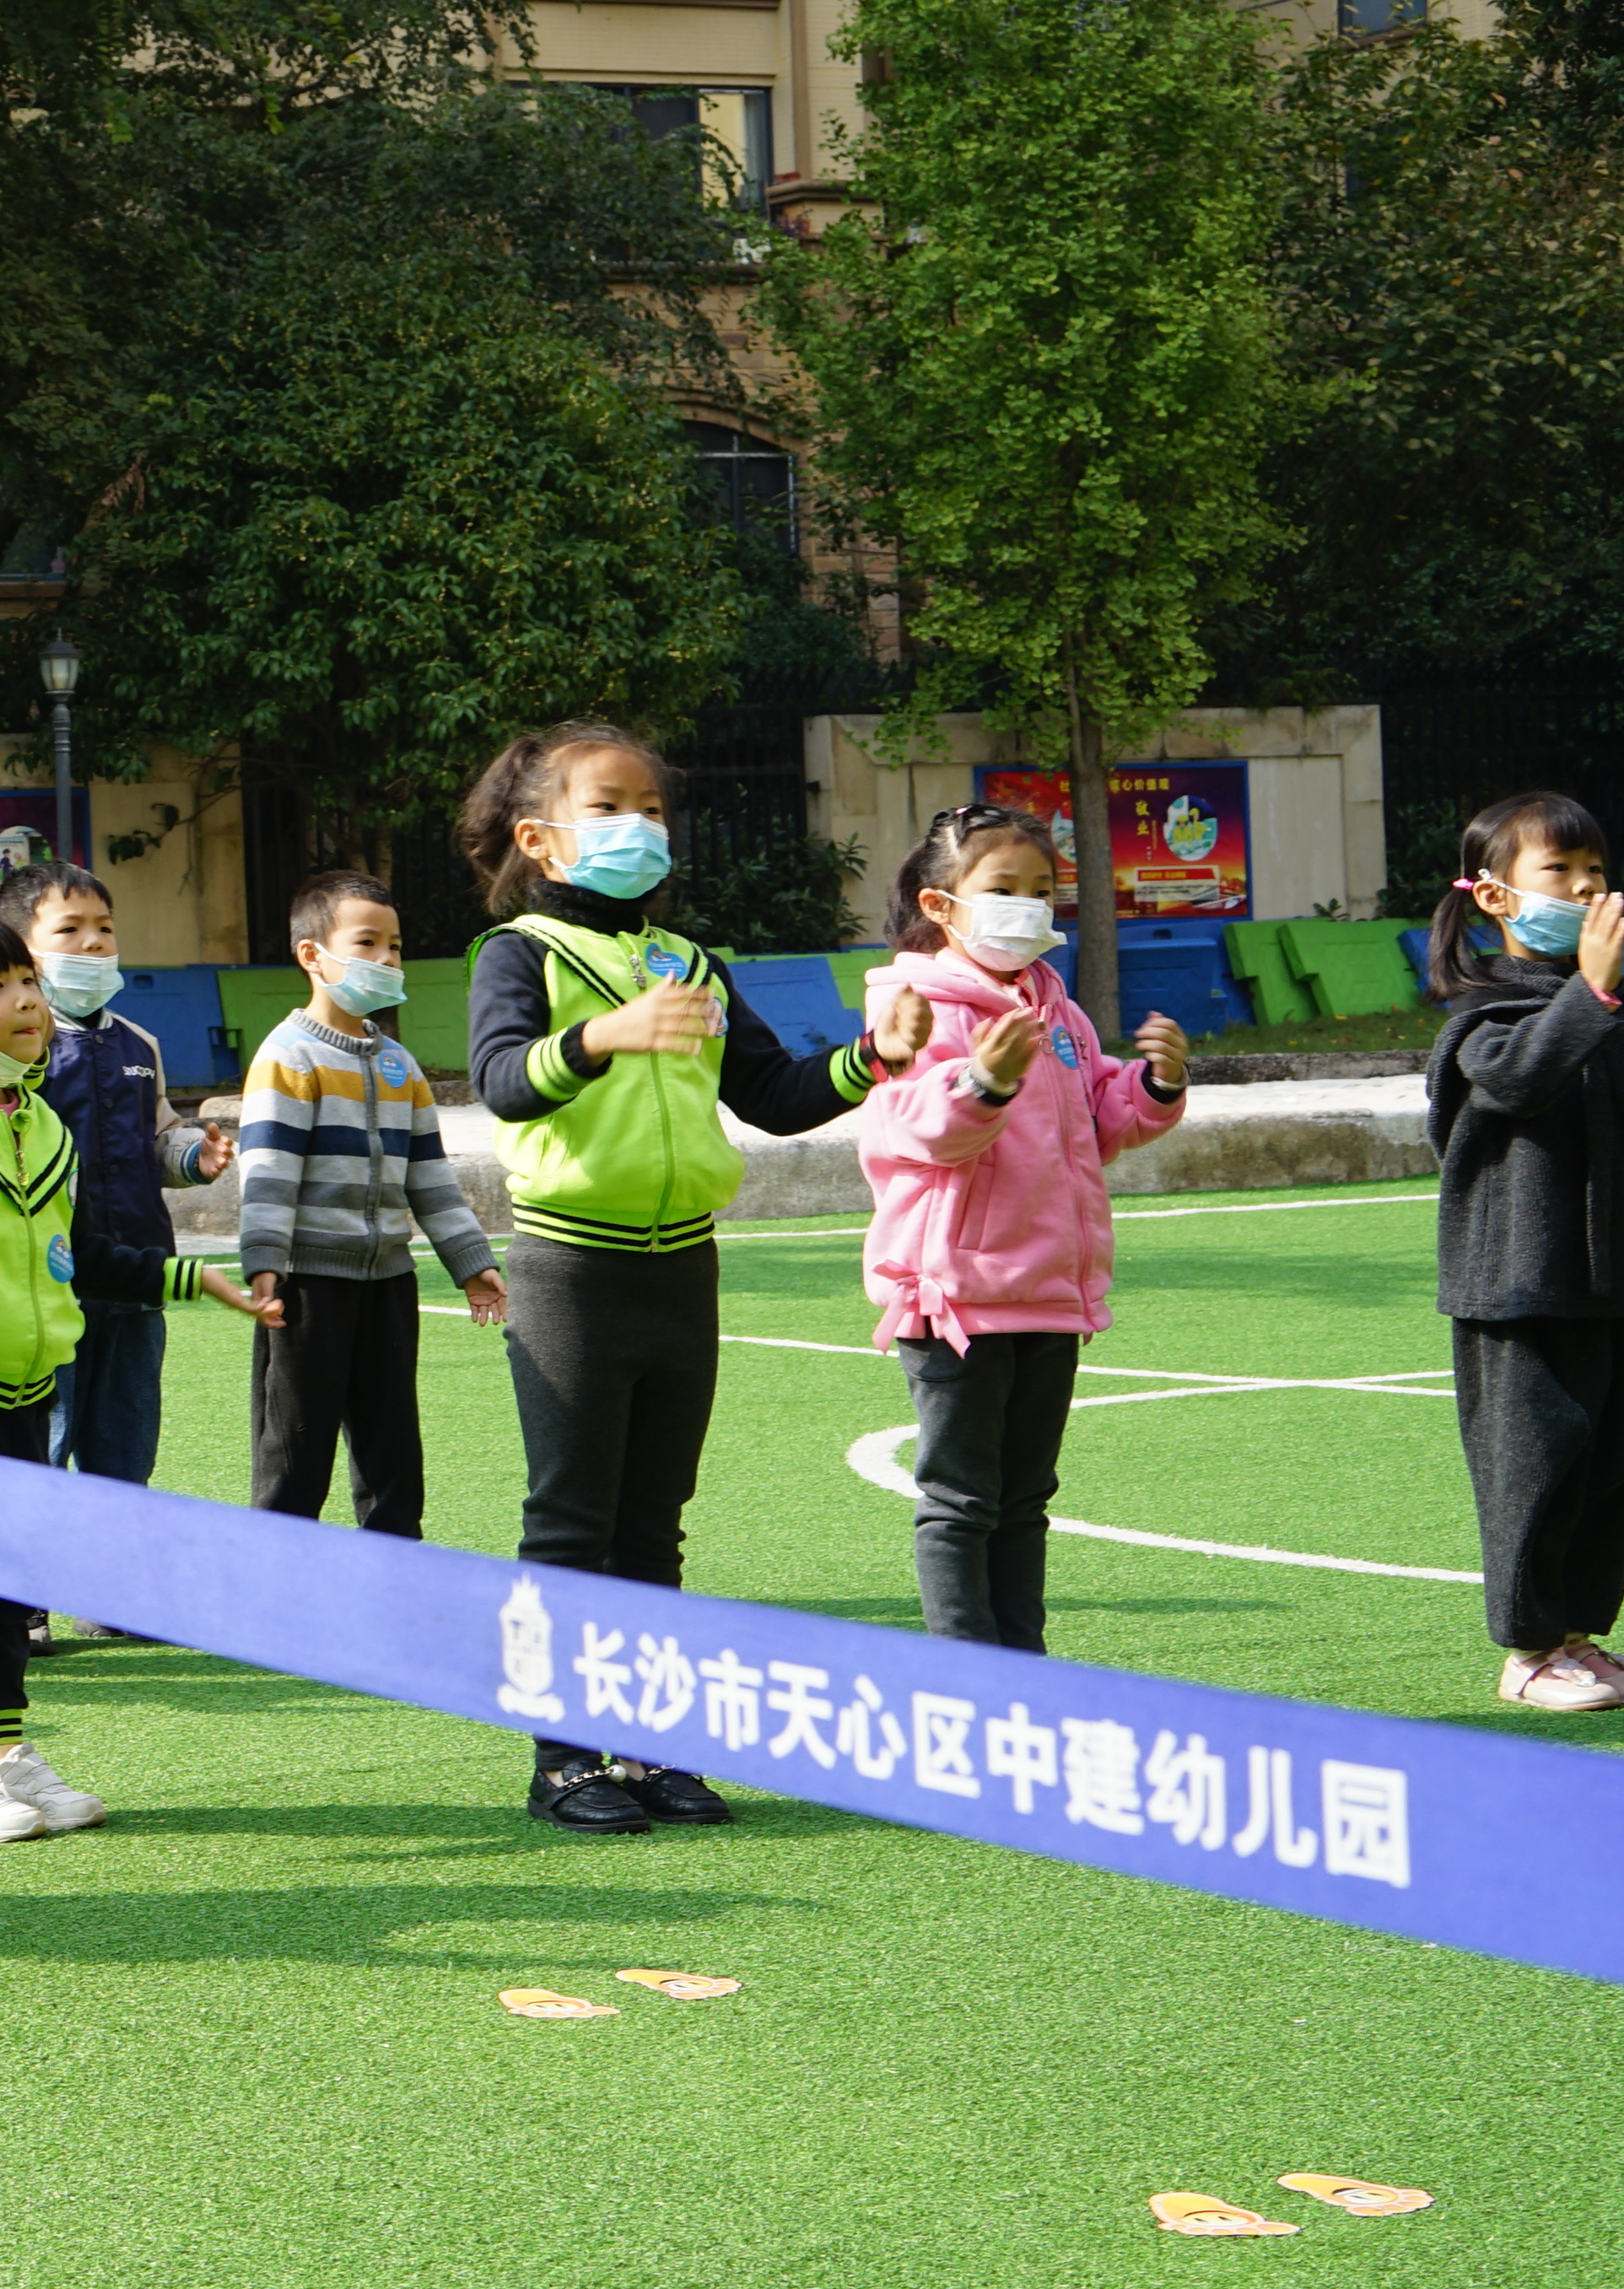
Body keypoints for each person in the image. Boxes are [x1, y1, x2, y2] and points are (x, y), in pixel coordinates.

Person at [462, 726, 897, 1833]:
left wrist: (875, 1055)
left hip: (681, 1270)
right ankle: (563, 1758)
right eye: (611, 808)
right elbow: (503, 1081)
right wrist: (605, 1035)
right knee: (568, 1521)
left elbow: (775, 1094)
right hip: (570, 1268)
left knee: (654, 1524)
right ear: (540, 837)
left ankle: (655, 1749)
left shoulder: (689, 961)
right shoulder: (518, 955)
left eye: (652, 808)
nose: (643, 828)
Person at [0, 909, 274, 1841]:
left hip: (26, 1386)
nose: (26, 1000)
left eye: (25, 980)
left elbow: (81, 1253)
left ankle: (0, 1752)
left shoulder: (36, 1120)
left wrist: (195, 1278)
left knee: (4, 1581)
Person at [856, 804, 1189, 1652]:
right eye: (1003, 888)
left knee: (1025, 1497)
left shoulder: (1059, 1013)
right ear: (942, 906)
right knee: (962, 1500)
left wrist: (1153, 1085)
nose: (1029, 906)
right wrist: (986, 1081)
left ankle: (1022, 1670)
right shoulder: (913, 1006)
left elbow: (1098, 1121)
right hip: (958, 1296)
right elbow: (918, 1128)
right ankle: (970, 1680)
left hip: (1048, 1292)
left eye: (1043, 889)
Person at [1421, 791, 1624, 1713]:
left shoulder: (1623, 1015)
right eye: (1558, 874)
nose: (1582, 890)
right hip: (1525, 1286)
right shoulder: (1483, 1017)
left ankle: (1578, 1634)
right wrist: (1595, 992)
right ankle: (1531, 1650)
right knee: (1538, 1460)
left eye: (1595, 875)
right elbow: (1525, 1076)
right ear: (1496, 897)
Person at [237, 874, 505, 1537]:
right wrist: (264, 1261)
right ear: (313, 955)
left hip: (388, 1281)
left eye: (395, 946)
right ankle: (274, 1579)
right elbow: (267, 1169)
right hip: (306, 1288)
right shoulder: (287, 1057)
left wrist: (470, 1261)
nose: (387, 960)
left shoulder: (400, 1066)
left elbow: (431, 1177)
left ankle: (396, 1574)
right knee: (295, 1447)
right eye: (368, 944)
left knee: (392, 1447)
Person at [8, 861, 229, 1498]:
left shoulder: (140, 1044)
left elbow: (159, 1135)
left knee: (126, 1456)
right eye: (70, 928)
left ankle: (108, 1596)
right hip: (47, 1287)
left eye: (104, 927)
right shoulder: (18, 1045)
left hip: (136, 1275)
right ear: (25, 949)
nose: (95, 942)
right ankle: (32, 1597)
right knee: (45, 1451)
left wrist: (195, 1157)